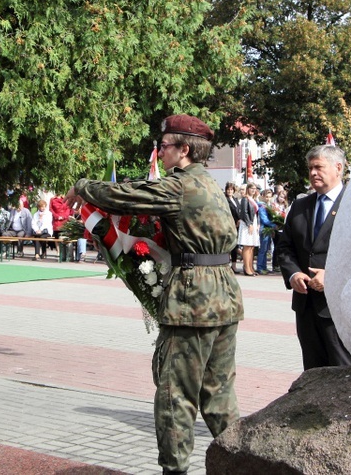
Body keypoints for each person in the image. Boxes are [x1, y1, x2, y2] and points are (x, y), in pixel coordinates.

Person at [65, 114, 243, 475]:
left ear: (184, 150)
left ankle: (174, 470)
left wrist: (83, 186)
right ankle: (243, 465)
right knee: (219, 395)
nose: (160, 153)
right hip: (224, 295)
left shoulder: (180, 186)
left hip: (194, 299)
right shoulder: (210, 185)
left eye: (165, 147)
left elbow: (126, 196)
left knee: (175, 395)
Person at [277, 145, 351, 371]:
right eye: (310, 168)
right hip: (306, 305)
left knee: (343, 370)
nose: (313, 173)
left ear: (338, 168)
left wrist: (332, 276)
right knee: (312, 371)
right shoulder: (301, 205)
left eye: (319, 167)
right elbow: (285, 247)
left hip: (338, 307)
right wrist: (293, 273)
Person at [237, 183, 259, 276]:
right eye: (251, 188)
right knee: (247, 246)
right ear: (248, 189)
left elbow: (256, 213)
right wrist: (249, 224)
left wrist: (257, 224)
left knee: (251, 247)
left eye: (254, 188)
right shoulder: (245, 199)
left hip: (253, 223)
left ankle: (251, 267)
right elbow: (244, 212)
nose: (253, 190)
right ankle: (246, 268)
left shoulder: (253, 199)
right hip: (247, 224)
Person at [256, 189, 276, 274]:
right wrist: (274, 225)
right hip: (264, 229)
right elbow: (264, 219)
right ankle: (260, 267)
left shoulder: (269, 205)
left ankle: (264, 266)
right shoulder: (261, 206)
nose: (268, 198)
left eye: (269, 197)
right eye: (266, 197)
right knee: (263, 249)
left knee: (266, 249)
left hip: (268, 230)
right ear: (263, 196)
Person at [224, 182, 240, 273]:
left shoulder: (235, 199)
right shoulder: (225, 200)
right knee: (229, 245)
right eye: (228, 189)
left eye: (231, 190)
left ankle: (234, 265)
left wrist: (239, 220)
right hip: (229, 224)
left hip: (237, 224)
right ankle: (226, 263)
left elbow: (239, 211)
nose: (230, 191)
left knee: (235, 245)